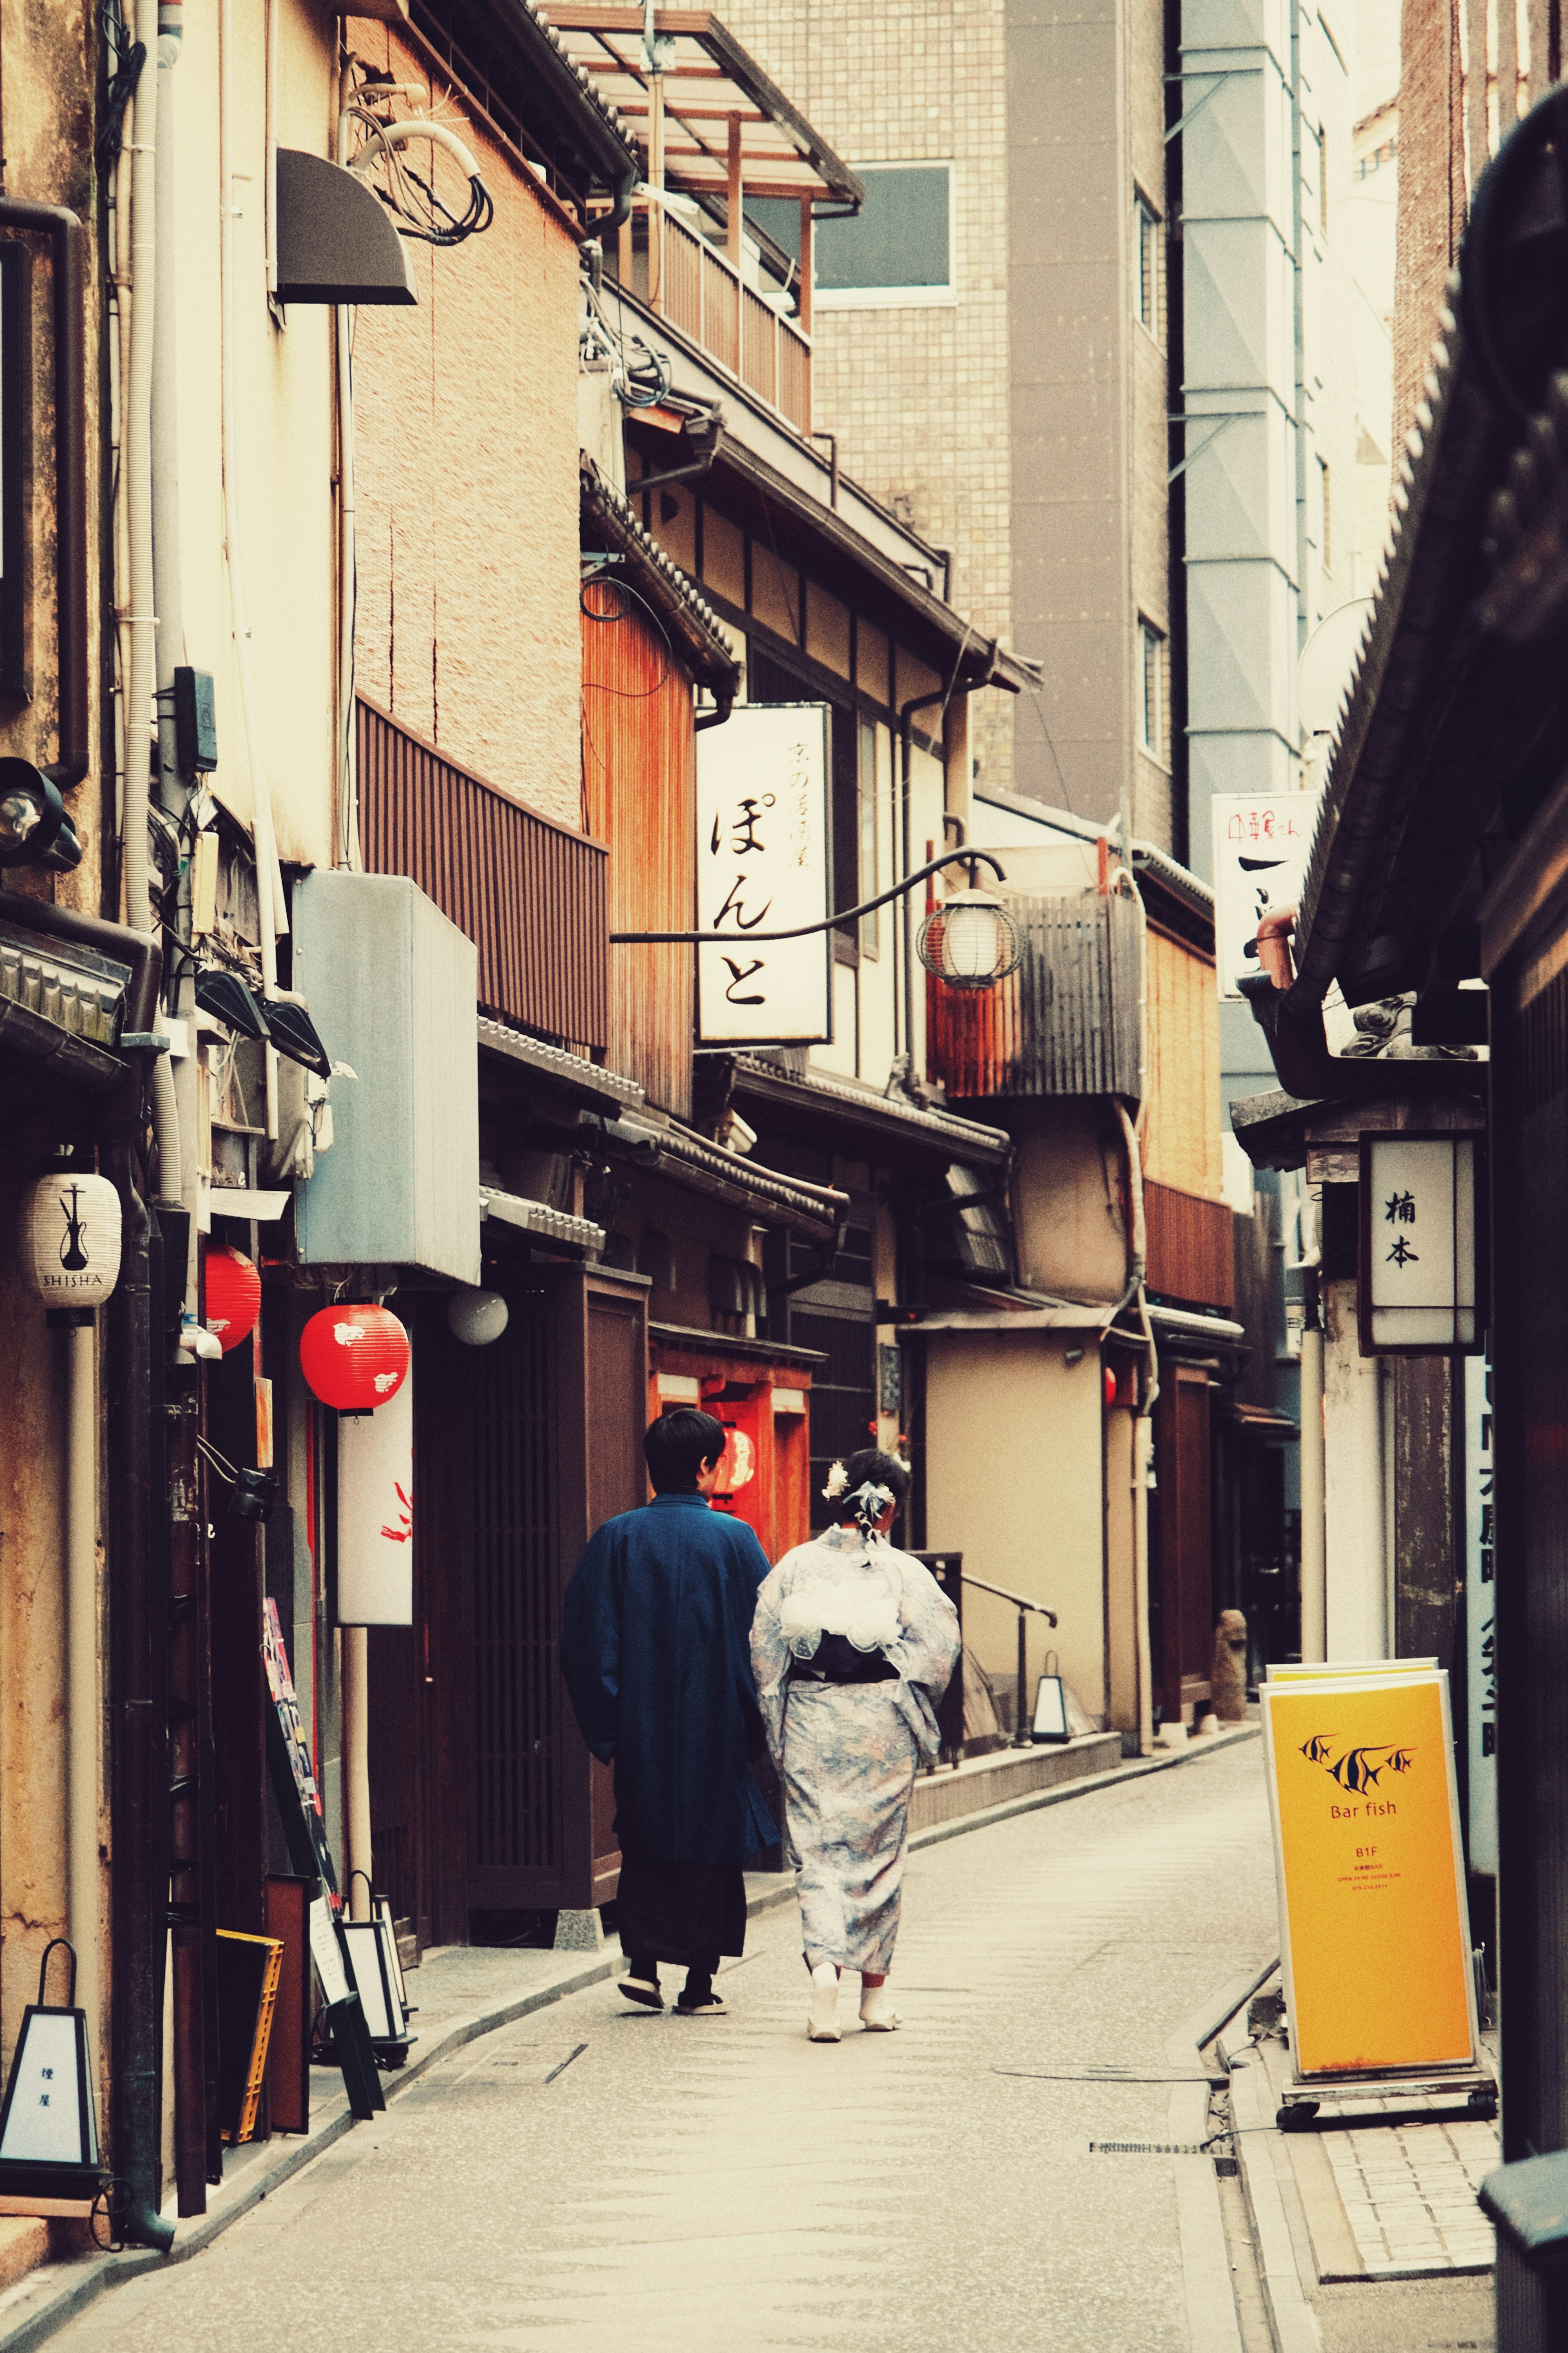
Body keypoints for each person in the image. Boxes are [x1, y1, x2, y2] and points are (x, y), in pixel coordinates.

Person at [560, 1408, 777, 2017]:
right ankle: (699, 1984)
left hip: (643, 1727)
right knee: (714, 1849)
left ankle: (645, 1967)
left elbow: (585, 1641)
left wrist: (610, 1726)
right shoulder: (737, 1541)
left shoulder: (617, 1538)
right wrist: (756, 1723)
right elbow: (765, 1639)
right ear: (707, 1467)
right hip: (720, 1727)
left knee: (646, 1839)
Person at [751, 1448, 960, 2043]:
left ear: (836, 1498)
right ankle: (875, 1996)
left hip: (814, 1720)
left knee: (817, 1854)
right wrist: (910, 1699)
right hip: (882, 1726)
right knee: (879, 1856)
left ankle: (824, 1980)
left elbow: (765, 1654)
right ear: (889, 1511)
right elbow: (940, 1651)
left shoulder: (794, 1566)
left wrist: (778, 1723)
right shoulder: (904, 1574)